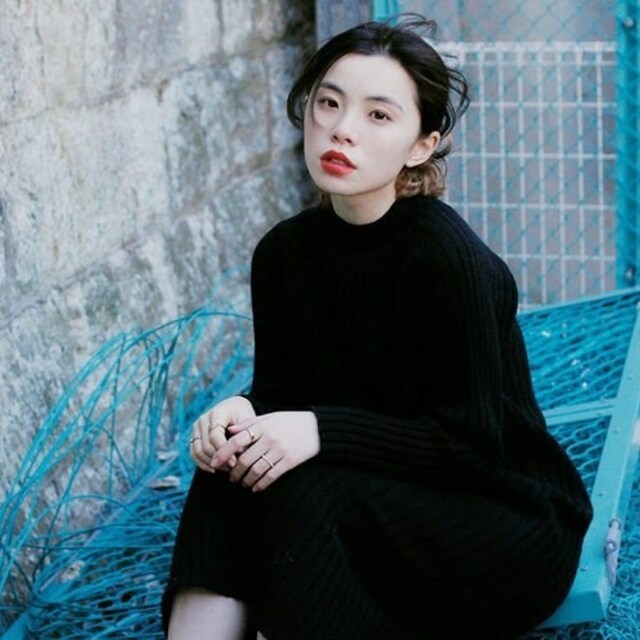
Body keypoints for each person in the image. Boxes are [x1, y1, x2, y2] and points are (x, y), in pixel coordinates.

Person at [162, 16, 593, 640]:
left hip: (503, 520)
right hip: (383, 490)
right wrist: (241, 411)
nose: (342, 129)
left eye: (379, 115)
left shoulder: (446, 259)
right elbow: (285, 393)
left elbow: (470, 446)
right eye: (329, 104)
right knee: (232, 469)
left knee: (304, 495)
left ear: (422, 145)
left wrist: (319, 430)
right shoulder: (284, 253)